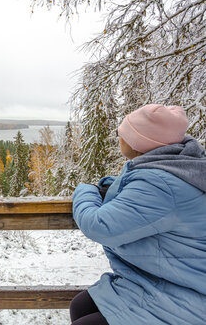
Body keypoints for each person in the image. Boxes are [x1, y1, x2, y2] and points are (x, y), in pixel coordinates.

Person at [70, 104, 206, 325]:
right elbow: (144, 193)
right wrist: (112, 186)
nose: (119, 138)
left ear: (139, 143)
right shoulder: (176, 166)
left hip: (184, 294)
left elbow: (99, 225)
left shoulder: (160, 184)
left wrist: (85, 190)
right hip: (165, 277)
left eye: (123, 134)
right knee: (81, 305)